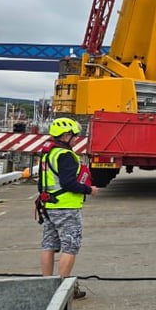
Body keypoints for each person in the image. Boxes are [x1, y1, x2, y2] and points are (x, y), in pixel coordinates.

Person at [39, 117, 99, 299]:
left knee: (48, 244)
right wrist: (89, 189)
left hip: (49, 205)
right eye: (74, 136)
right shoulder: (65, 155)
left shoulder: (49, 153)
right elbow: (68, 183)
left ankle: (46, 285)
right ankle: (62, 291)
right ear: (66, 136)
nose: (75, 140)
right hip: (66, 207)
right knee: (70, 246)